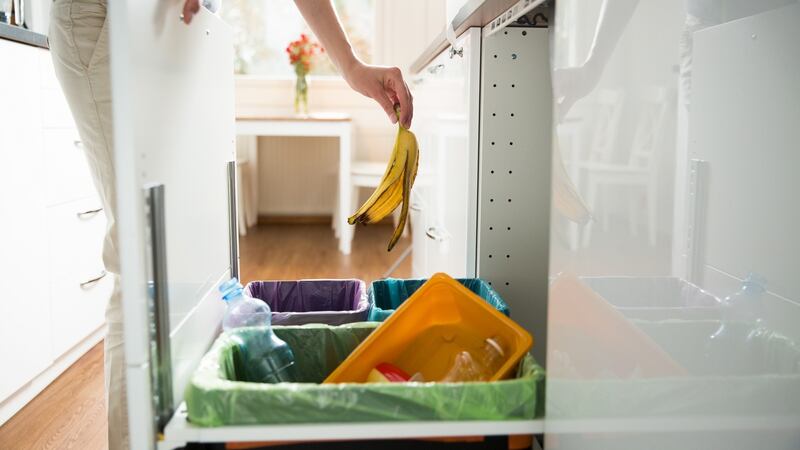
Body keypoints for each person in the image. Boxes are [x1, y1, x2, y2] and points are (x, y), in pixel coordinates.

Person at [49, 1, 413, 448]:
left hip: (173, 21)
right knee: (142, 254)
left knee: (185, 245)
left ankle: (187, 429)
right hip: (110, 16)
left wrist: (352, 66)